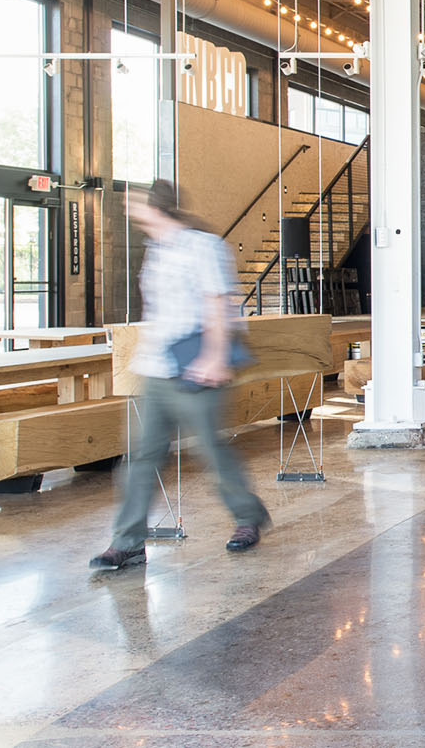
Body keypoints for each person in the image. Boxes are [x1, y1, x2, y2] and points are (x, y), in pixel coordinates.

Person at [90, 180, 269, 571]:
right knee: (142, 456)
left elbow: (218, 304)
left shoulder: (203, 247)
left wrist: (216, 357)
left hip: (196, 366)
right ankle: (128, 543)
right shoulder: (155, 250)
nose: (130, 210)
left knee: (209, 448)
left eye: (135, 203)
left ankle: (246, 515)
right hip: (156, 368)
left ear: (157, 208)